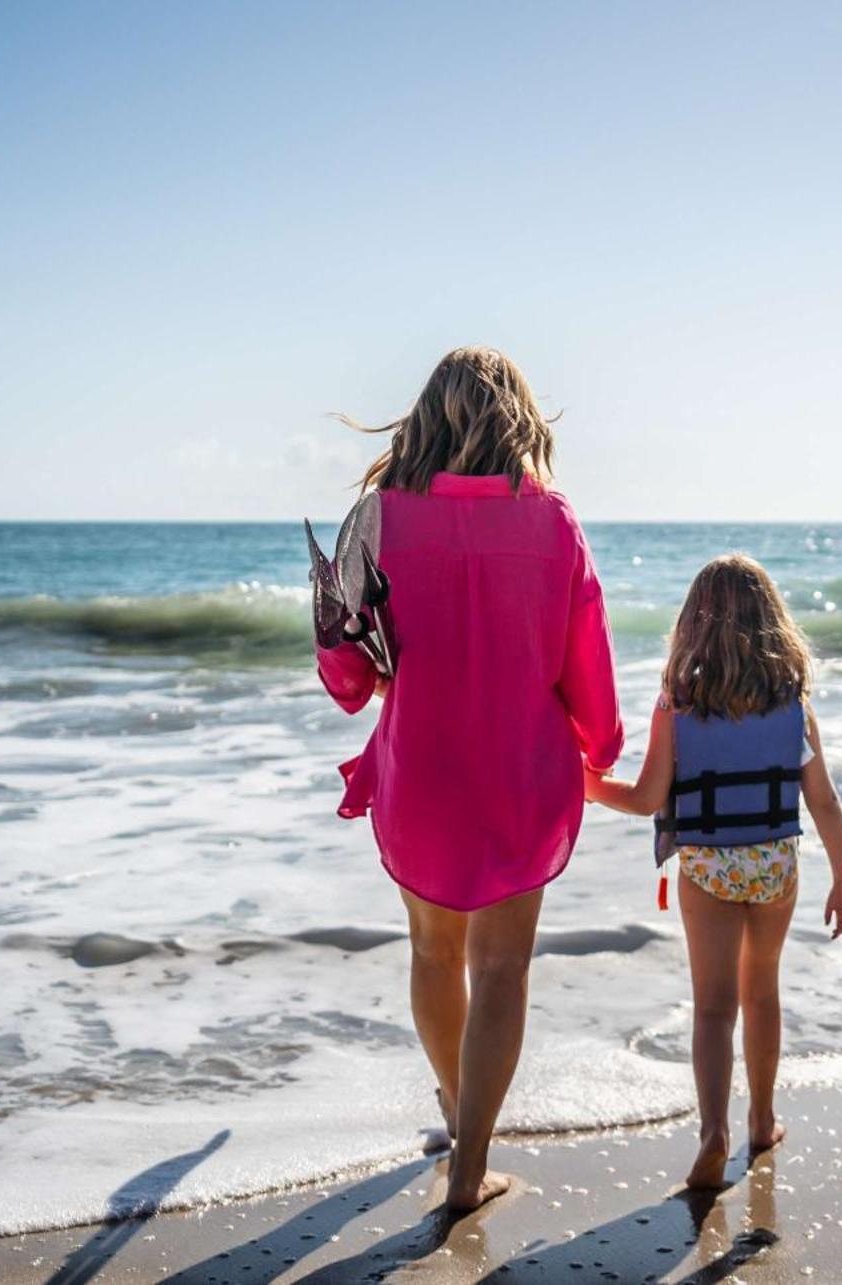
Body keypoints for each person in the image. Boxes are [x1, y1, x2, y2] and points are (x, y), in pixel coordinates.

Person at [316, 346, 623, 1212]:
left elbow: (343, 669)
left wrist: (376, 678)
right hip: (519, 776)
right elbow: (585, 660)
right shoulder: (554, 522)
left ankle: (458, 1112)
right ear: (518, 421)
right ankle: (468, 1161)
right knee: (502, 969)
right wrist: (600, 744)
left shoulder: (378, 516)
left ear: (425, 418)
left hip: (422, 774)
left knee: (432, 951)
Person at [584, 554, 842, 1189]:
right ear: (773, 622)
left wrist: (589, 786)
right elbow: (823, 800)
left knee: (713, 1009)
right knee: (761, 992)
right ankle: (763, 1121)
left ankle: (714, 1133)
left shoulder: (676, 706)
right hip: (774, 865)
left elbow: (648, 799)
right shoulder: (794, 705)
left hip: (708, 866)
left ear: (692, 625)